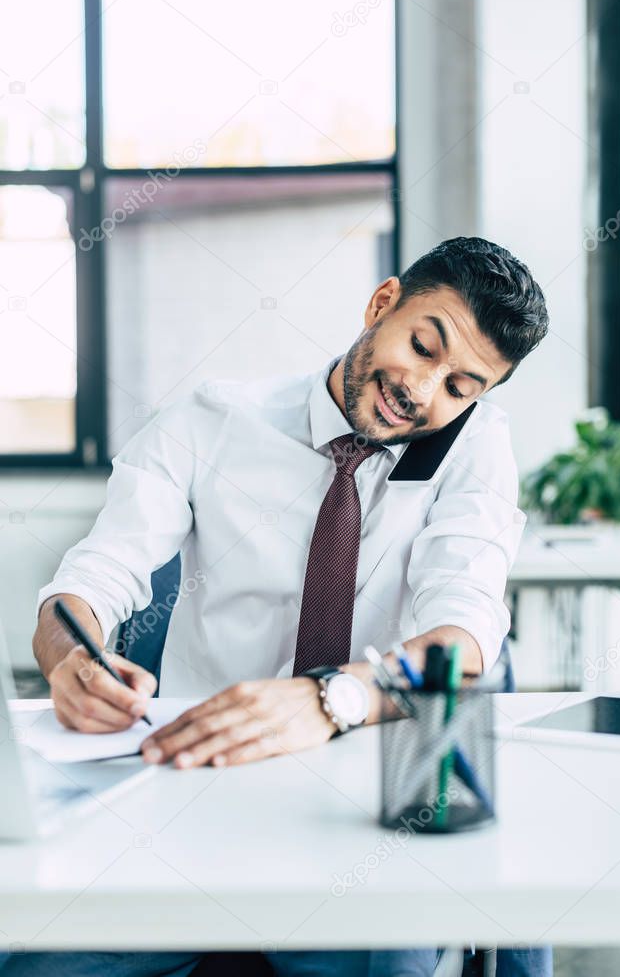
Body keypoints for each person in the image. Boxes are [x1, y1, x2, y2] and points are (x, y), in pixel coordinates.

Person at [11, 237, 551, 977]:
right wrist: (71, 655)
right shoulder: (210, 421)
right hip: (193, 788)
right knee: (38, 959)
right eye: (423, 348)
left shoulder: (473, 448)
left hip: (366, 805)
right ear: (381, 303)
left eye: (461, 385)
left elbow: (463, 633)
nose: (424, 393)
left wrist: (333, 699)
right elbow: (91, 581)